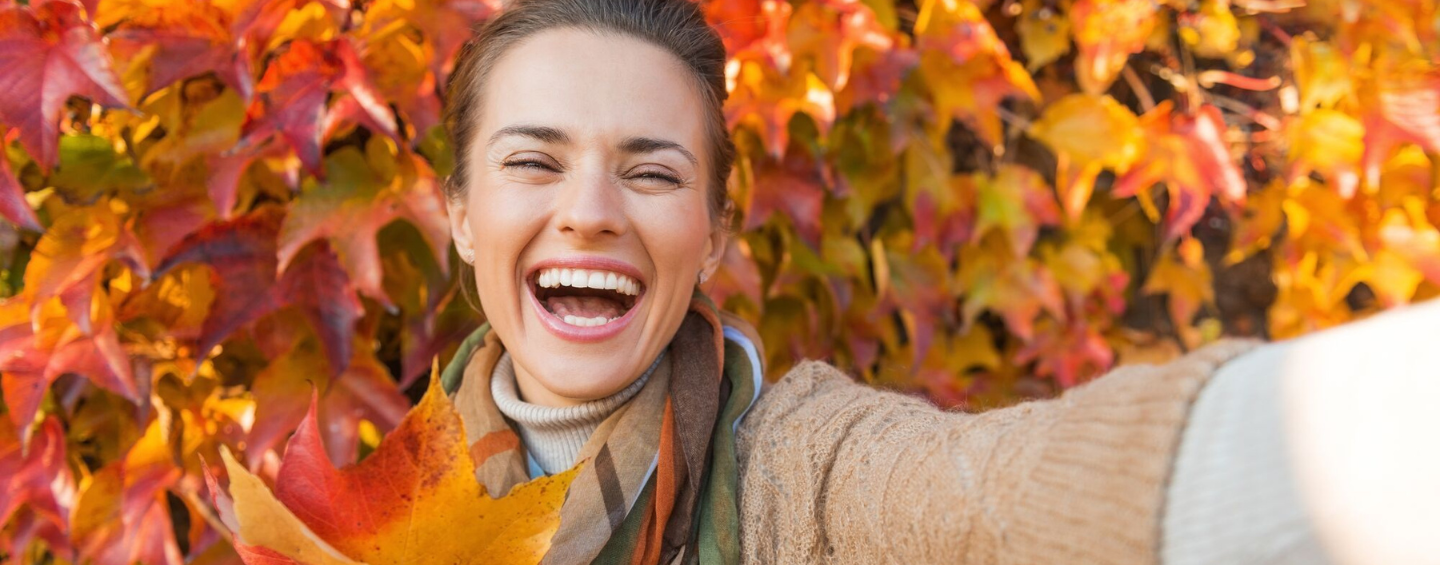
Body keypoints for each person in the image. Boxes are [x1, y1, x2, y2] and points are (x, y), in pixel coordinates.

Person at [437, 1, 1440, 563]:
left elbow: (998, 487)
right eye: (532, 161)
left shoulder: (798, 471)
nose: (593, 210)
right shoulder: (366, 507)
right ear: (458, 214)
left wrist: (1372, 423)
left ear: (711, 237)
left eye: (654, 171)